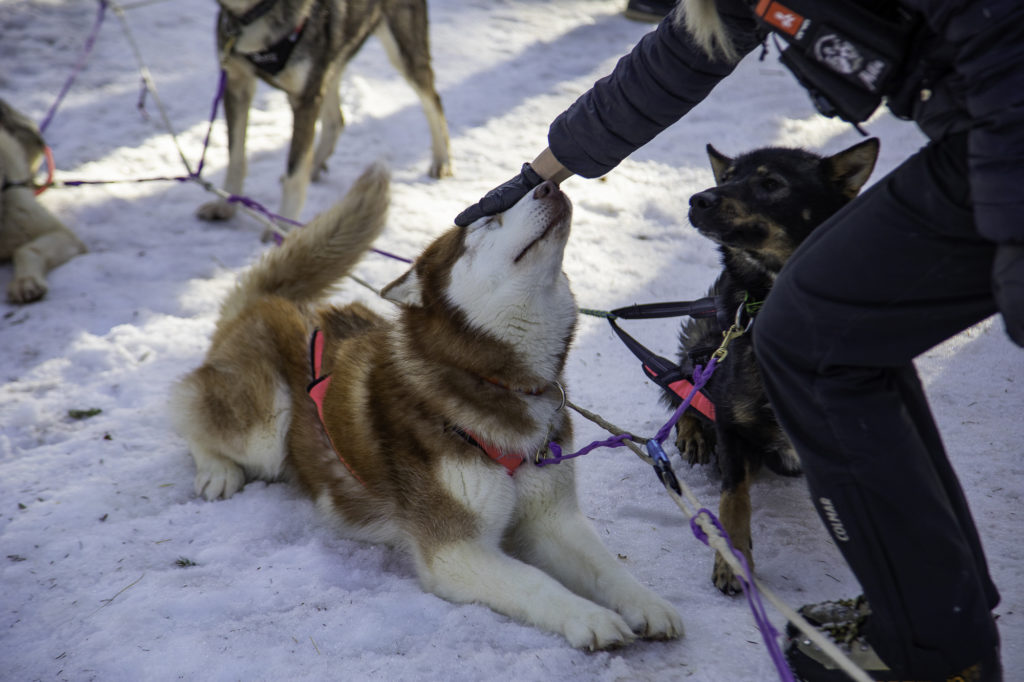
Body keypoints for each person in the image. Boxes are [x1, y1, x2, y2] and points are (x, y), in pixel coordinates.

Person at [454, 1, 1023, 680]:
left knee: (812, 336)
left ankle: (932, 642)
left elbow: (1005, 41)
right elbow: (674, 59)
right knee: (832, 331)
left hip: (1004, 142)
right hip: (979, 140)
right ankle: (943, 616)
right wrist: (538, 176)